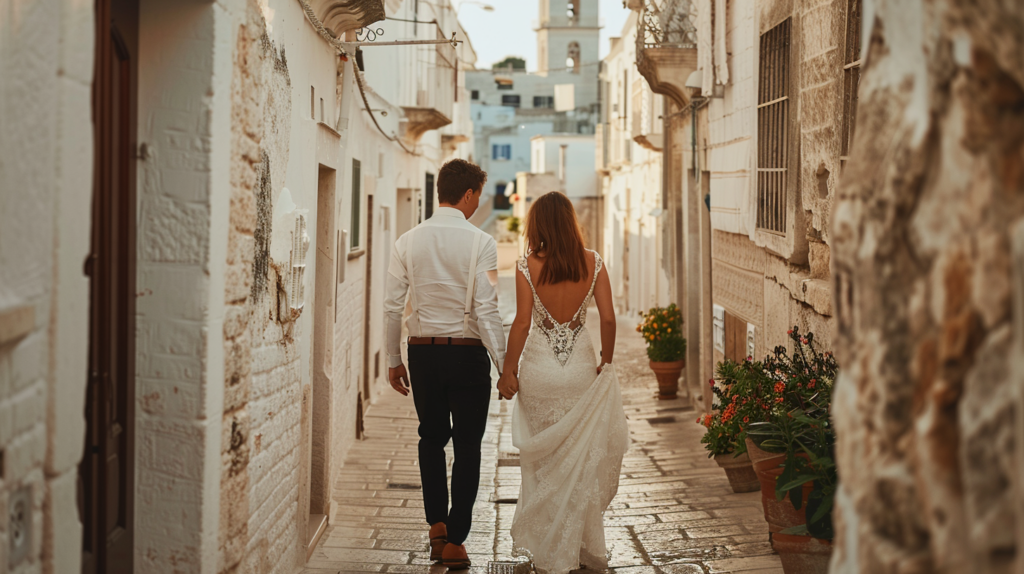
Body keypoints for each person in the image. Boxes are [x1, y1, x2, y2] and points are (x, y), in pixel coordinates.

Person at [497, 191, 630, 574]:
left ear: (536, 224)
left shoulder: (526, 267)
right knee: (579, 462)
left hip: (539, 371)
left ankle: (551, 550)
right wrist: (606, 358)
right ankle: (578, 548)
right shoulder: (594, 263)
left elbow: (522, 323)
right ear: (570, 222)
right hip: (579, 372)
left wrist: (509, 370)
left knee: (546, 464)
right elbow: (607, 318)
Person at [383, 159, 505, 570]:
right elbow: (487, 311)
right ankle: (455, 540)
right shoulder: (481, 243)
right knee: (468, 446)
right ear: (468, 194)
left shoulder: (407, 241)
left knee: (431, 439)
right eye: (479, 197)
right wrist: (505, 366)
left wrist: (393, 360)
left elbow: (391, 308)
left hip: (423, 354)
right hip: (466, 355)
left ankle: (436, 524)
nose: (478, 204)